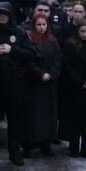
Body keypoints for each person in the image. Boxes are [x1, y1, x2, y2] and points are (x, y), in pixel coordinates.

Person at [0, 3, 36, 166]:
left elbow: (30, 54)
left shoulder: (19, 32)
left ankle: (14, 151)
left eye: (5, 14)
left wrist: (11, 49)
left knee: (14, 118)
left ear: (10, 15)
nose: (2, 16)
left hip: (14, 82)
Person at [61, 23, 86, 158]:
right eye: (82, 31)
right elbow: (67, 65)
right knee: (74, 118)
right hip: (73, 86)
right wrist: (78, 81)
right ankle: (73, 147)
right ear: (77, 31)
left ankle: (85, 146)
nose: (84, 34)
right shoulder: (70, 44)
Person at [24, 15, 61, 156]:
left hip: (49, 85)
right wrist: (40, 74)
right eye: (38, 25)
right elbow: (28, 62)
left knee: (48, 115)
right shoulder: (29, 41)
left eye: (44, 24)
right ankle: (29, 144)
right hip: (34, 84)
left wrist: (52, 74)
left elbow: (58, 60)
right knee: (32, 115)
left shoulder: (52, 41)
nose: (41, 28)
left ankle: (45, 143)